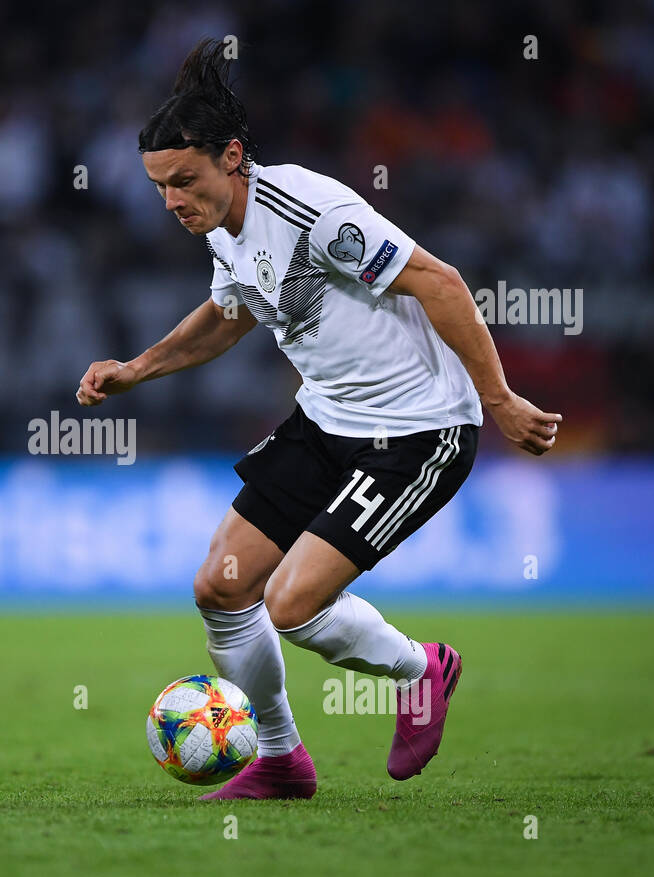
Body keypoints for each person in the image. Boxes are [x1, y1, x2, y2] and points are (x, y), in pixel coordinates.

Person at [77, 41, 561, 799]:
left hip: (416, 430)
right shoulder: (221, 227)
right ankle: (279, 760)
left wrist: (499, 400)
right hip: (326, 419)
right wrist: (139, 368)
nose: (172, 201)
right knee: (221, 585)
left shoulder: (312, 211)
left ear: (233, 157)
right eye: (160, 187)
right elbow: (230, 312)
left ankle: (421, 670)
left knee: (293, 602)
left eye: (184, 181)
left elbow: (440, 280)